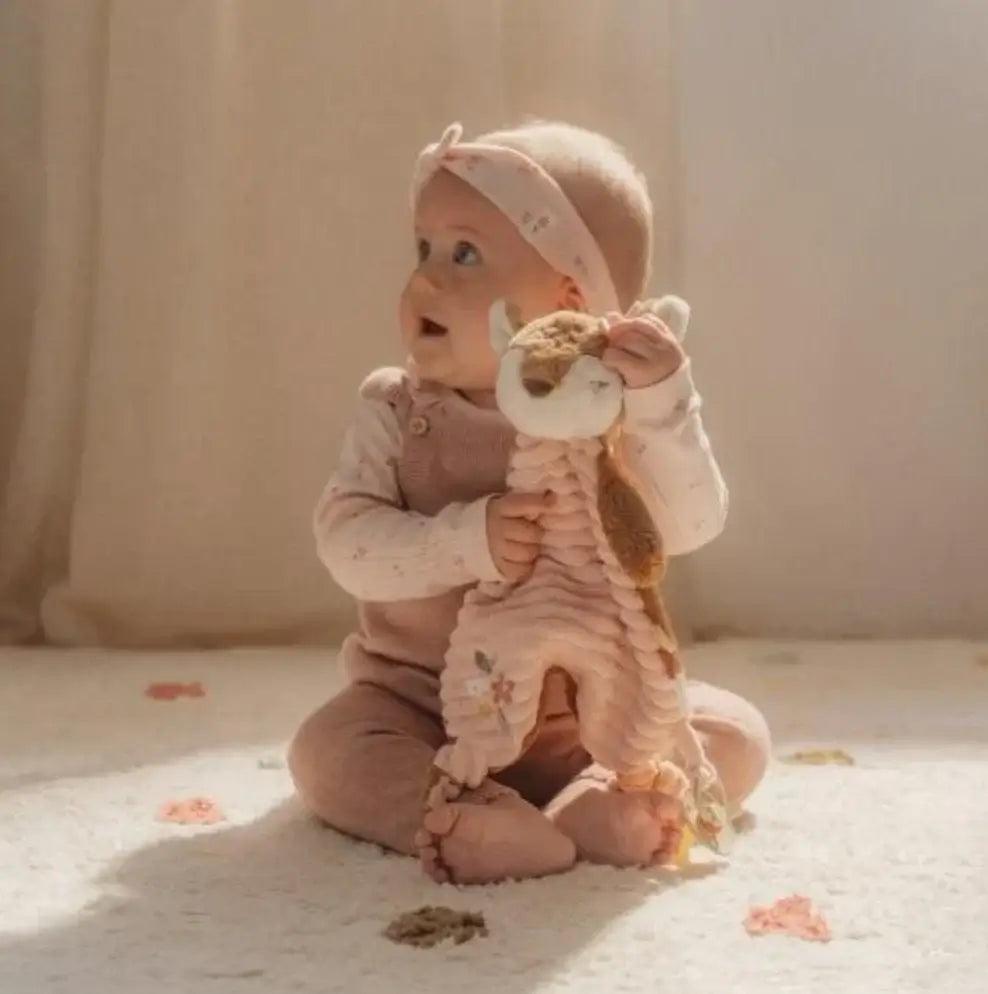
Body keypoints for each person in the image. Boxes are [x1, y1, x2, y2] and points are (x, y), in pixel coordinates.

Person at [289, 121, 771, 884]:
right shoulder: (395, 408)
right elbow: (346, 544)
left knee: (739, 733)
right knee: (325, 752)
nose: (426, 281)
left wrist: (663, 405)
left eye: (466, 253)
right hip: (422, 709)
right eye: (425, 250)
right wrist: (465, 541)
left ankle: (603, 800)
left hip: (593, 718)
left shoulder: (614, 419)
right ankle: (454, 813)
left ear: (568, 301)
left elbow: (689, 525)